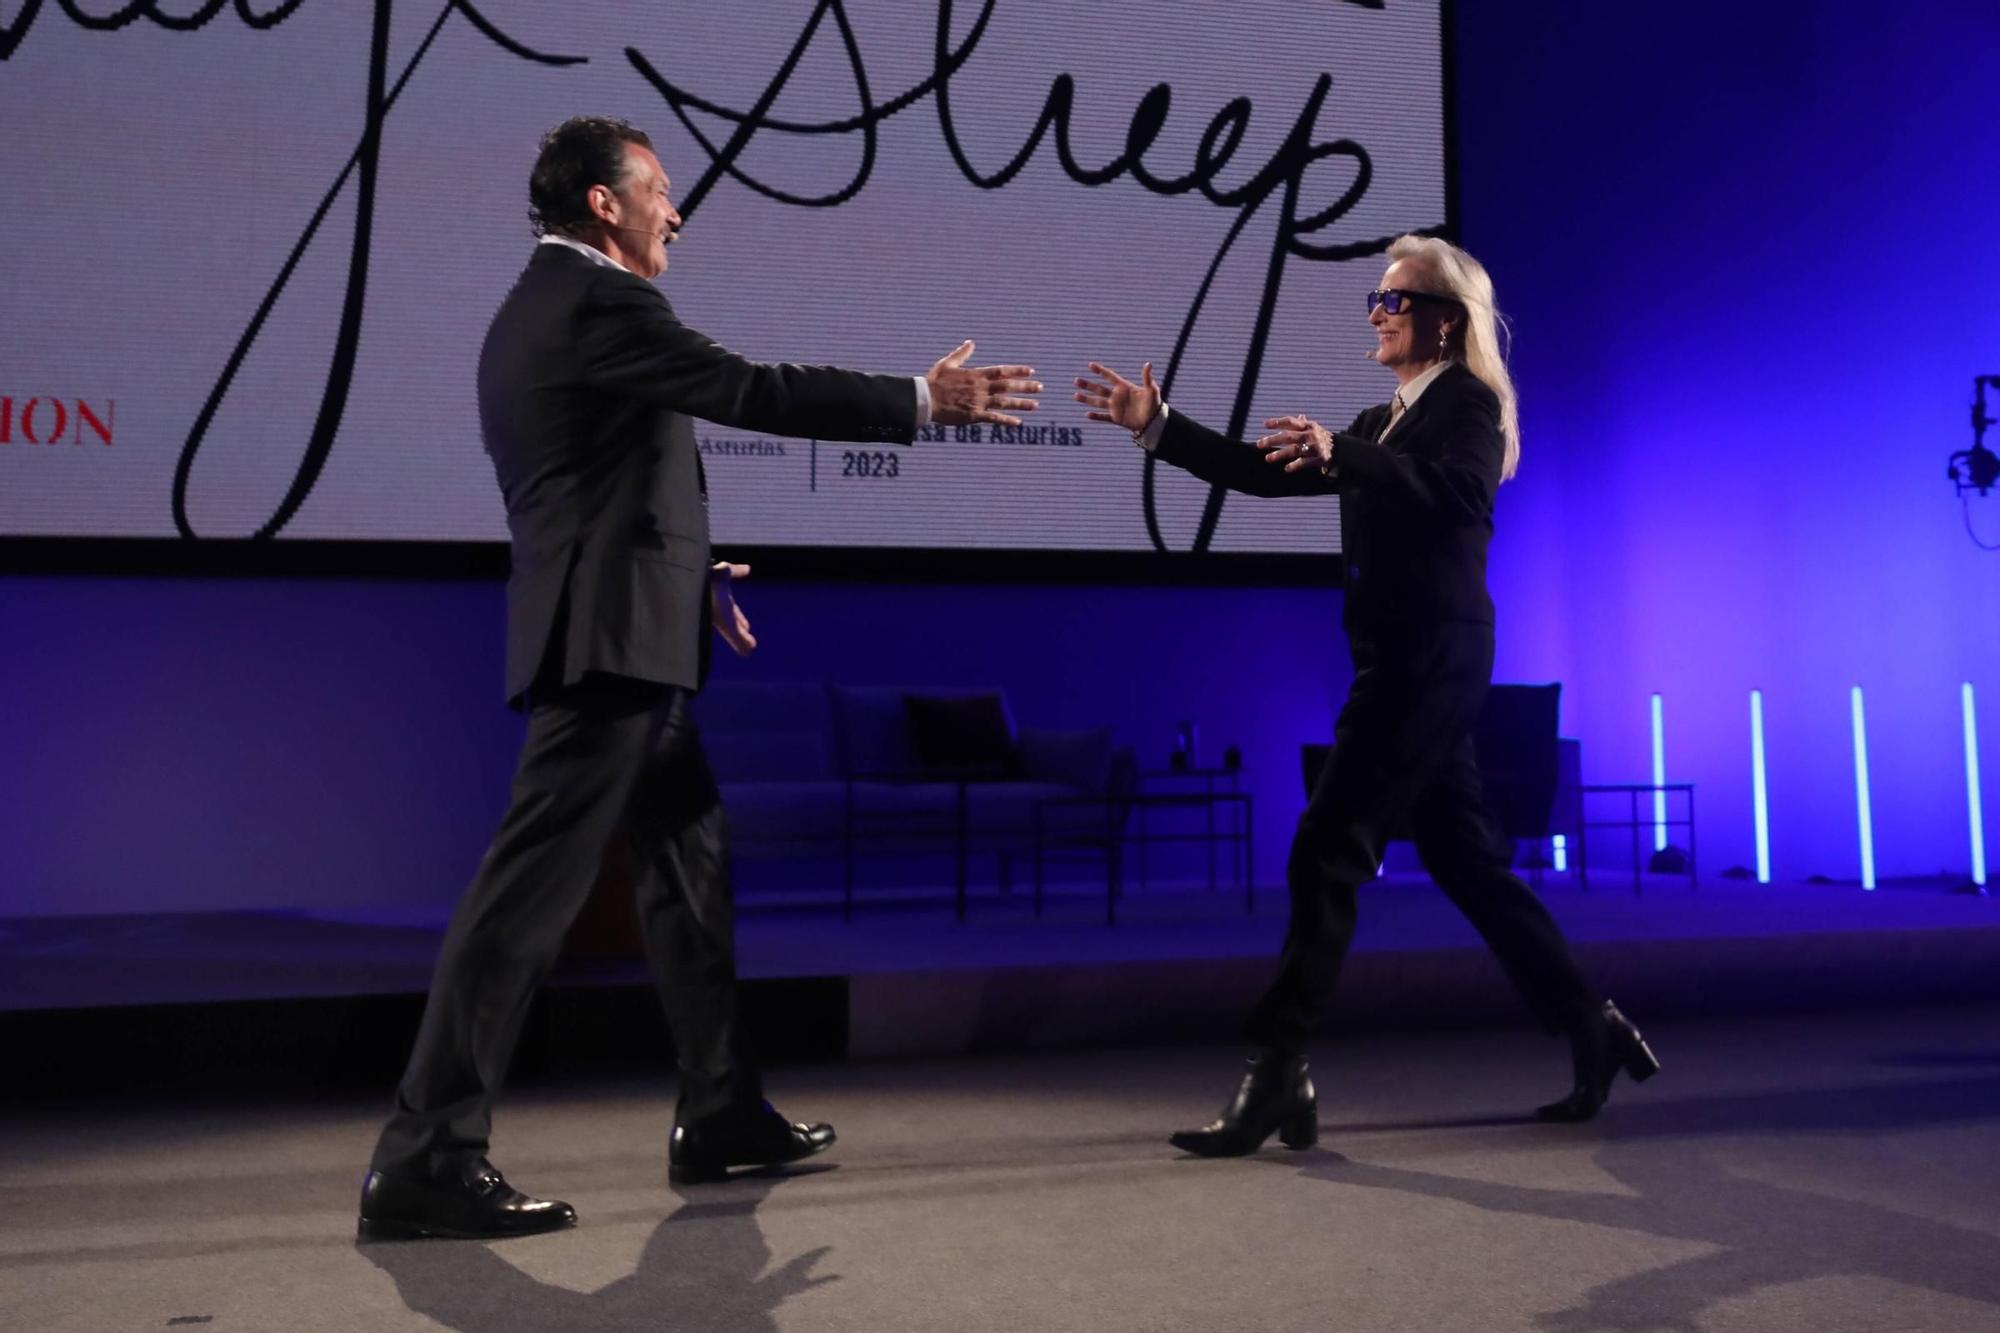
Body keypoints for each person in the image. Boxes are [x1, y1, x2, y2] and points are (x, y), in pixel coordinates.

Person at [358, 116, 1040, 1239]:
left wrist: (686, 576)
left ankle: (721, 1110)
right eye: (657, 190)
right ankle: (425, 1152)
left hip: (630, 629)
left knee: (689, 872)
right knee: (523, 901)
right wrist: (923, 401)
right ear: (602, 206)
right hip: (607, 647)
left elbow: (590, 485)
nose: (675, 210)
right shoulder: (596, 302)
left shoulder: (541, 309)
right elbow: (747, 389)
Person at [1074, 234, 1657, 1158]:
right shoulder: (1380, 419)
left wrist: (1346, 452)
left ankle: (1278, 1068)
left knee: (1325, 846)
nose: (1379, 315)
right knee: (1468, 863)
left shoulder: (1465, 405)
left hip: (1429, 657)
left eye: (1395, 300)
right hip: (1404, 654)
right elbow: (1259, 476)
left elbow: (1460, 494)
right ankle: (1592, 1024)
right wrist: (1157, 424)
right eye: (1375, 301)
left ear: (1444, 321)